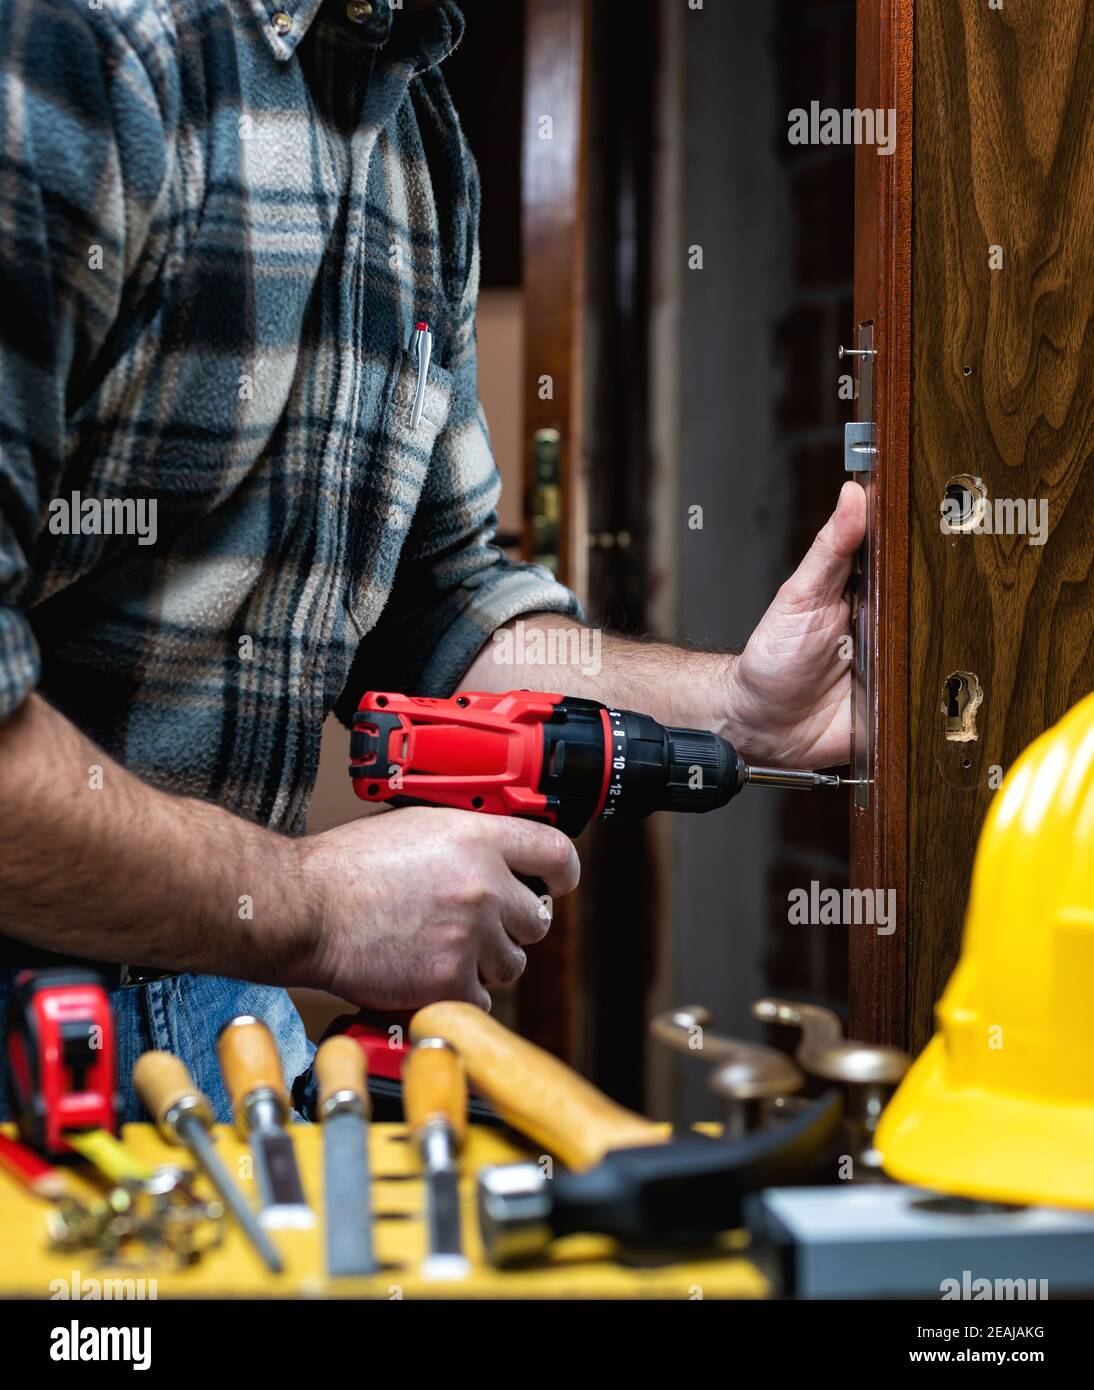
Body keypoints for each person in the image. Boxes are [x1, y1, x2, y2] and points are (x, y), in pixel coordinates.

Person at [0, 0, 866, 1119]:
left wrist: (739, 710)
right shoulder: (79, 49)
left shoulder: (417, 138)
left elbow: (439, 610)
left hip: (220, 1019)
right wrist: (316, 905)